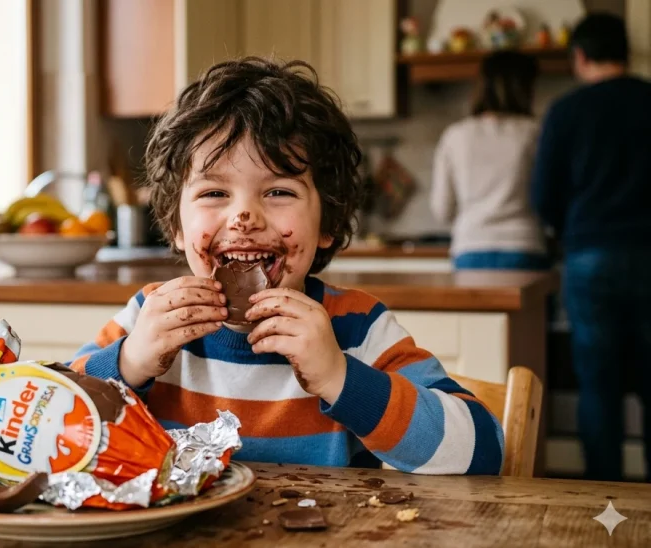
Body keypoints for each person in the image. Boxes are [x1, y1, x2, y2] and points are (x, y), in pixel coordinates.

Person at [68, 57, 504, 474]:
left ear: (327, 221)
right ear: (177, 225)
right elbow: (50, 420)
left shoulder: (357, 329)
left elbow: (485, 451)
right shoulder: (149, 318)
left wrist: (340, 377)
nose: (244, 216)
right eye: (214, 193)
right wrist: (128, 364)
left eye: (279, 192)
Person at [531, 13, 651, 482]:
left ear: (579, 56)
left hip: (589, 256)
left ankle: (605, 498)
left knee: (598, 384)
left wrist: (571, 231)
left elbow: (544, 195)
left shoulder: (567, 111)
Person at [431, 51, 548, 271]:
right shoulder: (535, 133)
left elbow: (442, 210)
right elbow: (548, 200)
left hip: (470, 247)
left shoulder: (456, 135)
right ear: (526, 89)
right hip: (524, 245)